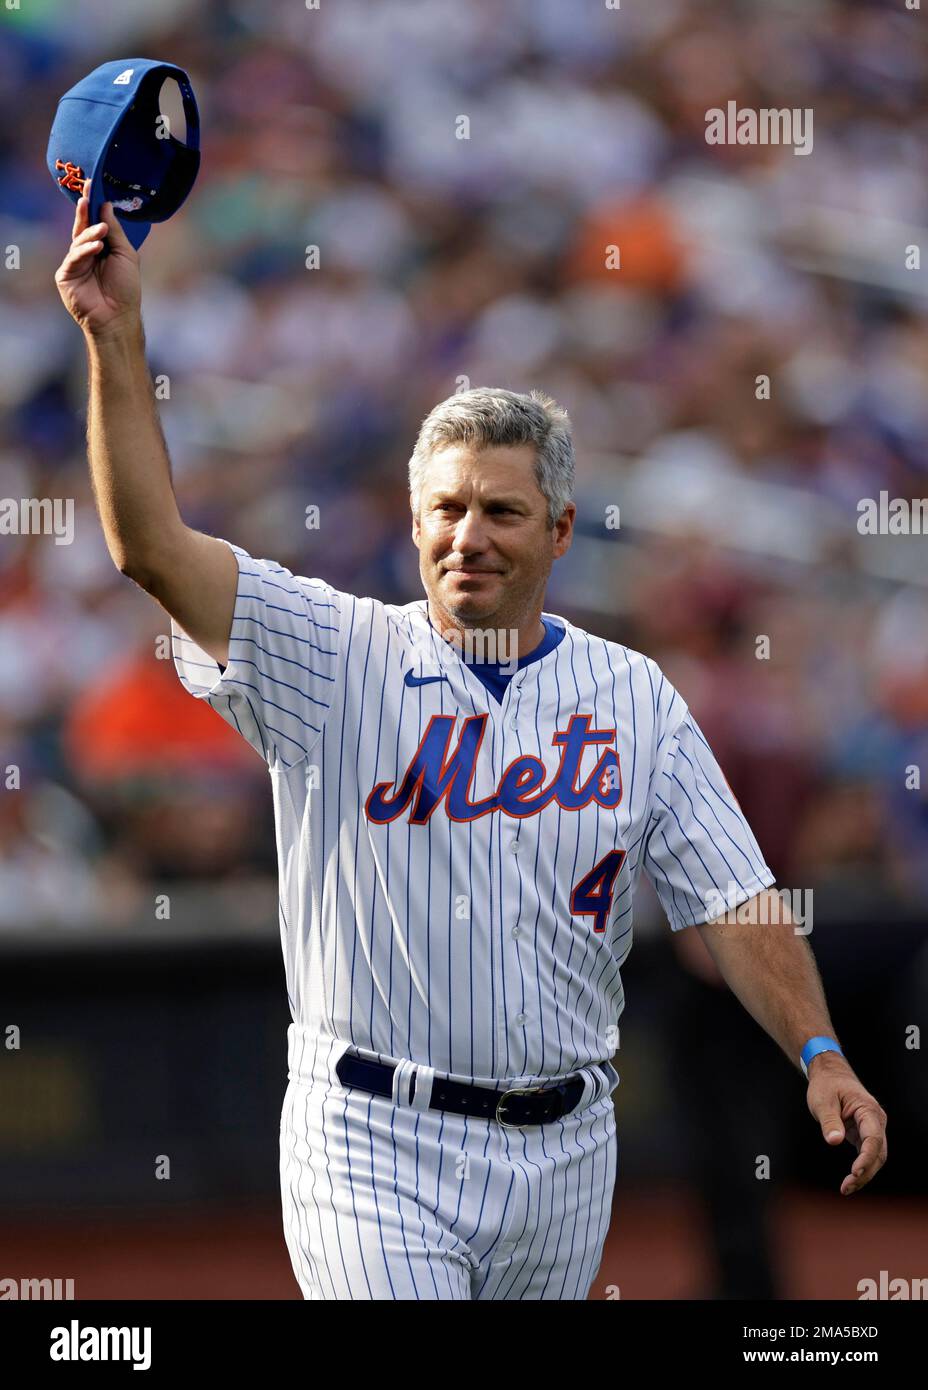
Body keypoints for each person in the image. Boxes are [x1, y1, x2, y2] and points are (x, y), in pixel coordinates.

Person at [55, 187, 888, 1301]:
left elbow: (733, 898)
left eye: (499, 512)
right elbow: (149, 545)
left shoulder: (631, 694)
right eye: (445, 510)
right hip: (370, 1133)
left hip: (565, 1148)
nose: (467, 537)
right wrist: (117, 340)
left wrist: (819, 1052)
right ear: (412, 525)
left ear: (557, 532)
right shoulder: (332, 651)